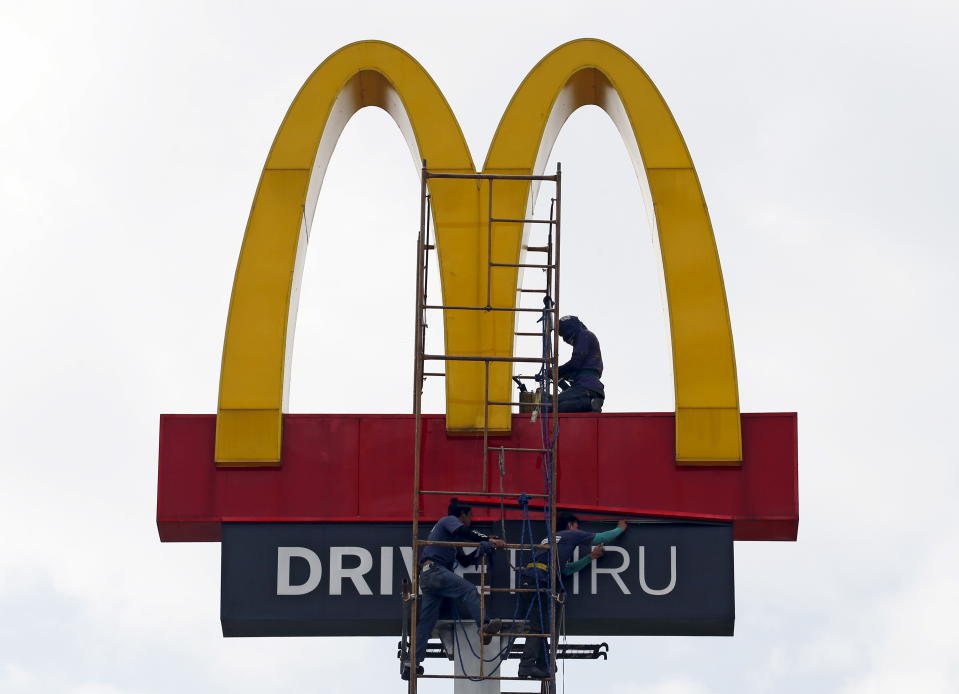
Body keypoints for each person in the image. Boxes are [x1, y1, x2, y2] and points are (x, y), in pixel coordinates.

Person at [403, 498, 507, 680]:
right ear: (462, 514)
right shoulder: (449, 521)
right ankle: (483, 626)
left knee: (427, 623)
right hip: (435, 571)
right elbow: (464, 530)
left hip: (429, 577)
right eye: (470, 516)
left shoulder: (451, 538)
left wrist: (483, 549)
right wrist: (488, 539)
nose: (471, 519)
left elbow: (466, 560)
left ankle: (412, 662)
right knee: (469, 591)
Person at [516, 514, 627, 679]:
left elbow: (566, 570)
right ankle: (527, 666)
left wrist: (591, 557)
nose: (579, 530)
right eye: (577, 526)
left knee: (540, 627)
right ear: (571, 525)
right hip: (539, 582)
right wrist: (620, 528)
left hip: (529, 580)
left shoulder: (550, 539)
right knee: (539, 629)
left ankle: (541, 665)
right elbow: (601, 537)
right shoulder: (571, 534)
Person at [547, 315, 605, 412]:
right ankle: (589, 404)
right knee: (562, 406)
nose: (564, 338)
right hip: (586, 388)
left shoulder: (584, 335)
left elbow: (575, 363)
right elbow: (574, 373)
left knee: (550, 406)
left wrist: (556, 371)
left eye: (564, 333)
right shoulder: (585, 338)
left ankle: (589, 404)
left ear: (571, 328)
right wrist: (559, 378)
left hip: (586, 387)